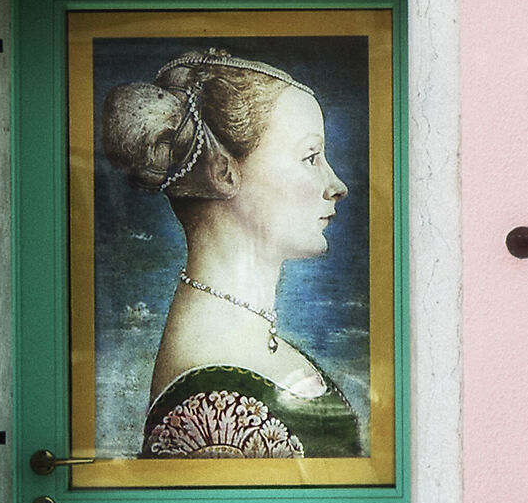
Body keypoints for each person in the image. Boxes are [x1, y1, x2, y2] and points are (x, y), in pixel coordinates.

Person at [100, 49, 362, 459]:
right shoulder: (214, 404)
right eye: (311, 157)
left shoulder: (247, 336)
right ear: (225, 173)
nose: (336, 184)